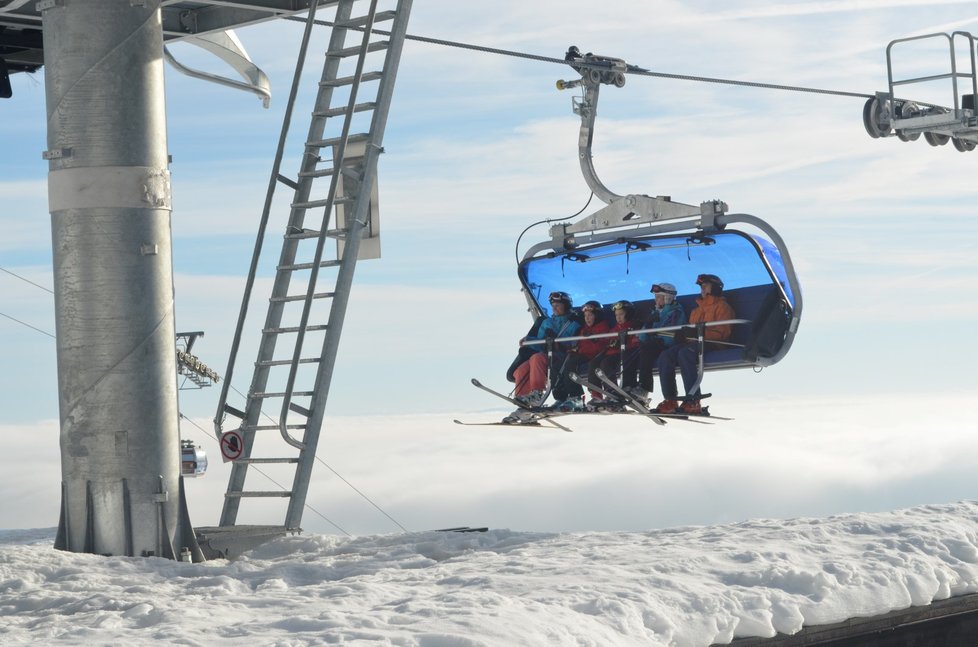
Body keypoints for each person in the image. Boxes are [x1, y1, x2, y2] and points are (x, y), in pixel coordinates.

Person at [653, 274, 735, 415]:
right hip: (694, 343)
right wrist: (684, 335)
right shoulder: (696, 310)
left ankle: (693, 400)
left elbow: (723, 332)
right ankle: (670, 399)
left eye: (705, 287)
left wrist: (698, 334)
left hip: (714, 343)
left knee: (685, 353)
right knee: (666, 356)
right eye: (701, 287)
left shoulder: (723, 307)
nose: (702, 290)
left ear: (715, 288)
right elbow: (690, 332)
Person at [504, 291, 581, 422]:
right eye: (553, 305)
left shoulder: (574, 322)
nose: (554, 308)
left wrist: (556, 341)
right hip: (546, 355)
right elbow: (539, 343)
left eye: (558, 305)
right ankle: (525, 403)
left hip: (561, 356)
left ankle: (537, 393)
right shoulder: (547, 323)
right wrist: (529, 340)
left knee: (537, 358)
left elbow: (575, 341)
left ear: (566, 305)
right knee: (520, 370)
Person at [553, 300, 610, 410]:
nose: (587, 318)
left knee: (592, 364)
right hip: (585, 355)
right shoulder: (583, 329)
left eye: (590, 315)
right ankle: (573, 396)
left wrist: (594, 338)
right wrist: (574, 349)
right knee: (567, 363)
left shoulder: (603, 327)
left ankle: (596, 395)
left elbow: (604, 342)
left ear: (597, 316)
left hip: (598, 355)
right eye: (585, 316)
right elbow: (579, 344)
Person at [635, 282, 687, 402]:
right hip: (654, 345)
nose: (656, 300)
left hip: (669, 345)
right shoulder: (656, 313)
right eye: (656, 297)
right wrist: (648, 324)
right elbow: (641, 338)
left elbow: (671, 334)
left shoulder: (676, 312)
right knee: (639, 350)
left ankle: (644, 388)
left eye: (659, 297)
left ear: (668, 297)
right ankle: (632, 386)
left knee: (647, 350)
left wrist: (657, 337)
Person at [587, 300, 640, 406]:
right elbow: (607, 340)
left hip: (626, 353)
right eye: (616, 315)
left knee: (606, 363)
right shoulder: (614, 329)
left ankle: (616, 390)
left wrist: (625, 341)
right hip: (612, 352)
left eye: (621, 314)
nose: (618, 317)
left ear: (628, 314)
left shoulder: (634, 327)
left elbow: (637, 342)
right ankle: (598, 392)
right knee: (594, 362)